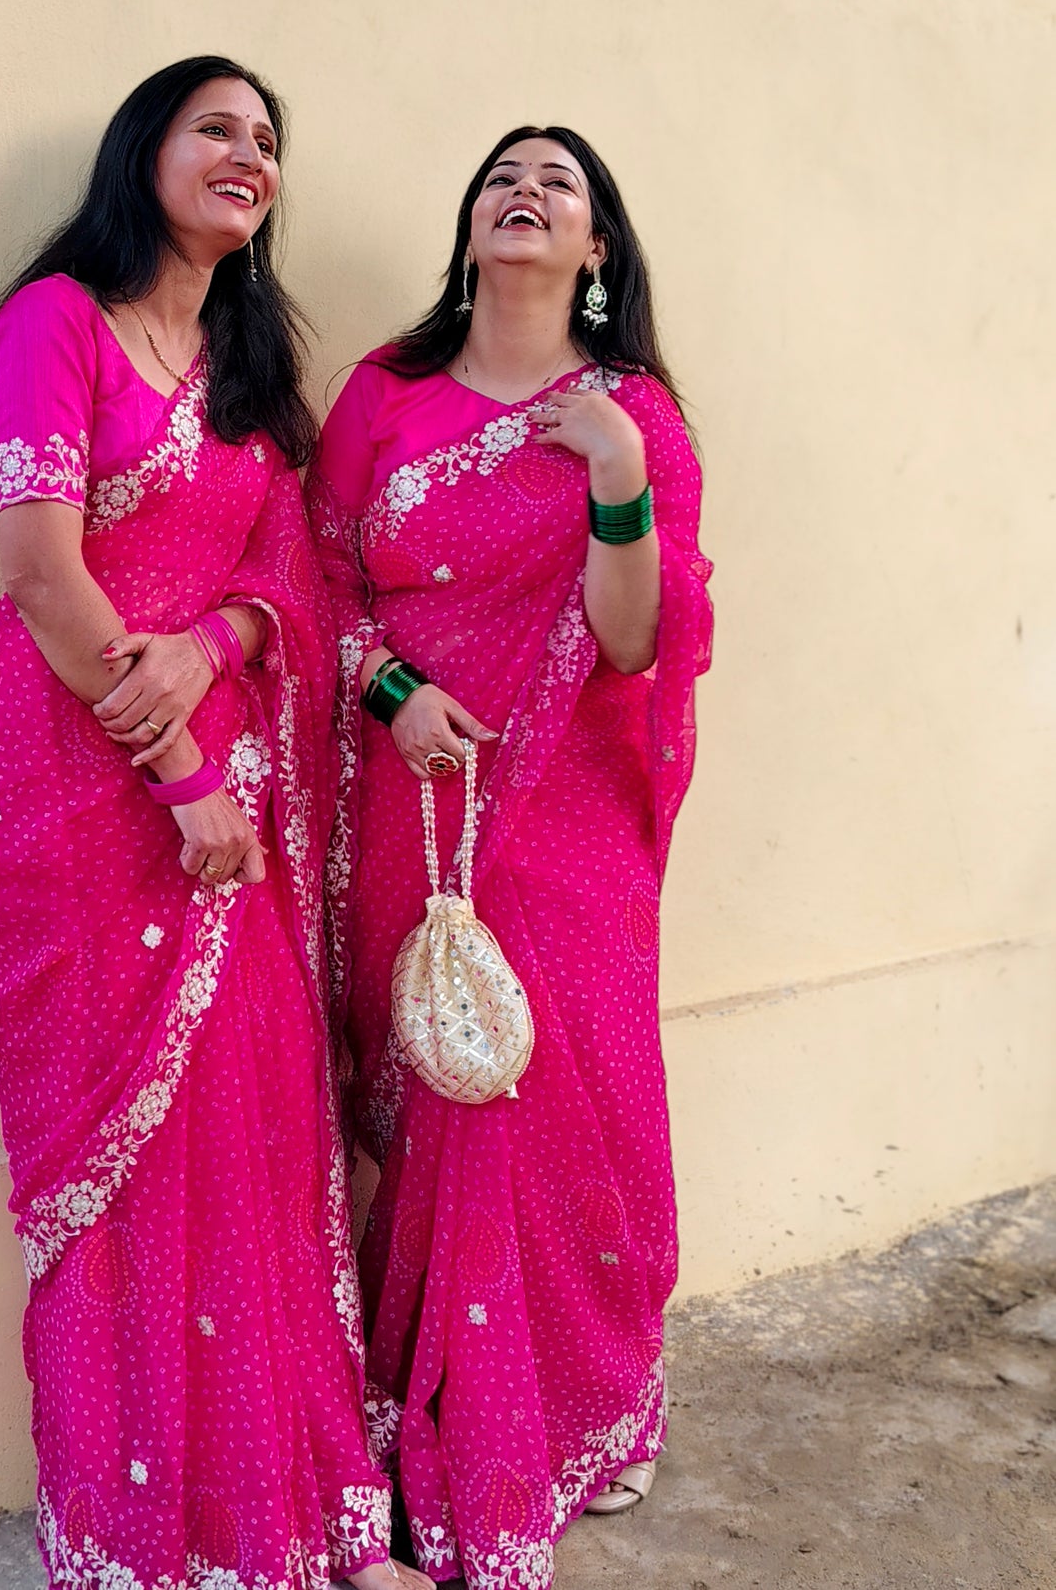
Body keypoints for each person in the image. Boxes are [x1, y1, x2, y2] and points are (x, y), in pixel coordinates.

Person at [0, 57, 429, 1590]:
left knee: (252, 1132)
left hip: (230, 790)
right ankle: (149, 1531)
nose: (248, 153)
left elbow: (277, 577)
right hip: (89, 791)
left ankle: (291, 1510)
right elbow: (42, 569)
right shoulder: (54, 327)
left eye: (268, 140)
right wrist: (177, 773)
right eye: (215, 127)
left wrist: (220, 646)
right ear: (140, 152)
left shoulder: (238, 368)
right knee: (130, 1161)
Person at [307, 126, 713, 1590]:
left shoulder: (632, 414)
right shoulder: (383, 396)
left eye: (559, 183)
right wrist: (391, 693)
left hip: (559, 823)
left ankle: (582, 1408)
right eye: (500, 177)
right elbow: (315, 580)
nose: (523, 192)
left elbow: (631, 642)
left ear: (596, 247)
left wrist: (614, 476)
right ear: (469, 226)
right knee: (431, 1094)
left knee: (552, 1095)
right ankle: (436, 1409)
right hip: (404, 799)